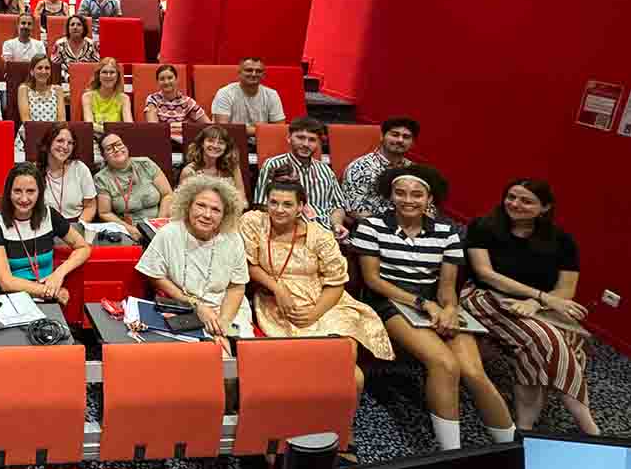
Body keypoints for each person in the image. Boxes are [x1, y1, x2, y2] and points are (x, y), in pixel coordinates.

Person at [352, 165, 516, 450]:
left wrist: (450, 310)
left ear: (430, 199)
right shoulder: (371, 226)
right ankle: (451, 452)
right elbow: (373, 280)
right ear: (390, 195)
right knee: (444, 364)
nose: (408, 200)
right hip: (391, 301)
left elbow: (447, 287)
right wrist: (422, 303)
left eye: (417, 194)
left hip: (436, 301)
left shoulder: (447, 232)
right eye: (400, 193)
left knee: (474, 372)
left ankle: (515, 449)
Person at [461, 180, 598, 434]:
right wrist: (541, 297)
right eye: (511, 197)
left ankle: (524, 425)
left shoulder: (562, 240)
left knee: (564, 341)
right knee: (547, 339)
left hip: (535, 306)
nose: (515, 204)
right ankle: (588, 425)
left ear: (544, 208)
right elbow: (486, 274)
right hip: (486, 296)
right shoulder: (484, 227)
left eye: (526, 201)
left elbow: (565, 290)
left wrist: (535, 303)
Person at [240, 181, 395, 396]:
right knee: (311, 360)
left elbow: (336, 281)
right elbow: (249, 264)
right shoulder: (254, 222)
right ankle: (313, 407)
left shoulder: (319, 235)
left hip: (324, 300)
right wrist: (277, 288)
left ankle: (338, 416)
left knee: (345, 353)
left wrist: (315, 313)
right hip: (279, 302)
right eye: (273, 203)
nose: (279, 210)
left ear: (300, 207)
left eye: (287, 204)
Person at [135, 174, 253, 351]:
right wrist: (195, 305)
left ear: (225, 214)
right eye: (201, 205)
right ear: (188, 205)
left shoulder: (232, 238)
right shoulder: (169, 233)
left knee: (241, 354)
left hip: (227, 309)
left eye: (216, 210)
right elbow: (154, 275)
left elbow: (236, 287)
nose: (207, 214)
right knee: (205, 356)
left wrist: (222, 324)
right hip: (183, 306)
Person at [0, 163, 91, 303]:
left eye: (30, 191)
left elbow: (83, 248)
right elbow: (6, 281)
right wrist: (50, 291)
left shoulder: (49, 215)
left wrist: (58, 274)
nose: (24, 199)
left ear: (39, 192)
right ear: (8, 193)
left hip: (47, 297)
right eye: (17, 191)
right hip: (12, 298)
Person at [254, 117, 348, 237]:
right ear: (289, 138)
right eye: (300, 138)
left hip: (326, 234)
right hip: (290, 233)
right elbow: (261, 205)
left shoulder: (326, 170)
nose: (305, 144)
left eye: (312, 140)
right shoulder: (273, 165)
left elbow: (338, 206)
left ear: (319, 143)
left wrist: (337, 224)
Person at [94, 131, 174, 240]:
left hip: (160, 225)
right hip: (128, 231)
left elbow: (167, 194)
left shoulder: (146, 164)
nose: (116, 149)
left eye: (118, 144)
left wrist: (159, 224)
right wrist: (129, 229)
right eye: (109, 148)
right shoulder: (101, 178)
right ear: (104, 156)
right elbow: (104, 212)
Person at [344, 116, 420, 220]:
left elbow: (428, 208)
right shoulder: (360, 167)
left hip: (412, 228)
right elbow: (354, 210)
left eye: (406, 137)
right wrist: (389, 228)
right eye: (395, 135)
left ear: (413, 143)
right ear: (382, 136)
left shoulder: (415, 170)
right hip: (371, 229)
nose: (400, 140)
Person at [35, 123, 96, 224]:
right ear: (48, 142)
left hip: (76, 226)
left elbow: (90, 206)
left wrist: (78, 227)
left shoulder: (80, 168)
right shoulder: (34, 171)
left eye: (70, 143)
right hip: (44, 227)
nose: (65, 146)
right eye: (60, 141)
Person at [211, 57, 284, 134]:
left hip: (262, 142)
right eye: (249, 70)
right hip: (232, 141)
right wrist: (262, 131)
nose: (254, 74)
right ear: (239, 72)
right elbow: (223, 128)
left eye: (258, 71)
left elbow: (279, 128)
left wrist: (247, 130)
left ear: (263, 75)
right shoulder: (225, 93)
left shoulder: (272, 95)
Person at [143, 64, 209, 142]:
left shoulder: (187, 102)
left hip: (184, 142)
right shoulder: (152, 99)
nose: (166, 82)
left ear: (177, 79)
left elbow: (208, 125)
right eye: (162, 79)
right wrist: (182, 126)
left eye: (170, 78)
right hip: (161, 141)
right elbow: (154, 128)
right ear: (157, 82)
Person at [179, 125, 247, 200]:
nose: (215, 145)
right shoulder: (189, 171)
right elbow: (181, 203)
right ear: (202, 143)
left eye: (221, 143)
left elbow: (241, 196)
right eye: (210, 141)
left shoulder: (232, 167)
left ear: (226, 147)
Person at [82, 57, 132, 132]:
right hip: (95, 137)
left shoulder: (124, 98)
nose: (108, 76)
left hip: (117, 137)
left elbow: (129, 125)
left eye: (112, 72)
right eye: (104, 72)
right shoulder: (87, 96)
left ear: (117, 76)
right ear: (98, 75)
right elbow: (89, 125)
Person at [50, 14, 99, 80]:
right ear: (68, 28)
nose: (75, 27)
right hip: (64, 81)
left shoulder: (91, 44)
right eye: (72, 24)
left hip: (87, 80)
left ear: (84, 28)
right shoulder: (59, 44)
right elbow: (54, 68)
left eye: (79, 25)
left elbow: (97, 67)